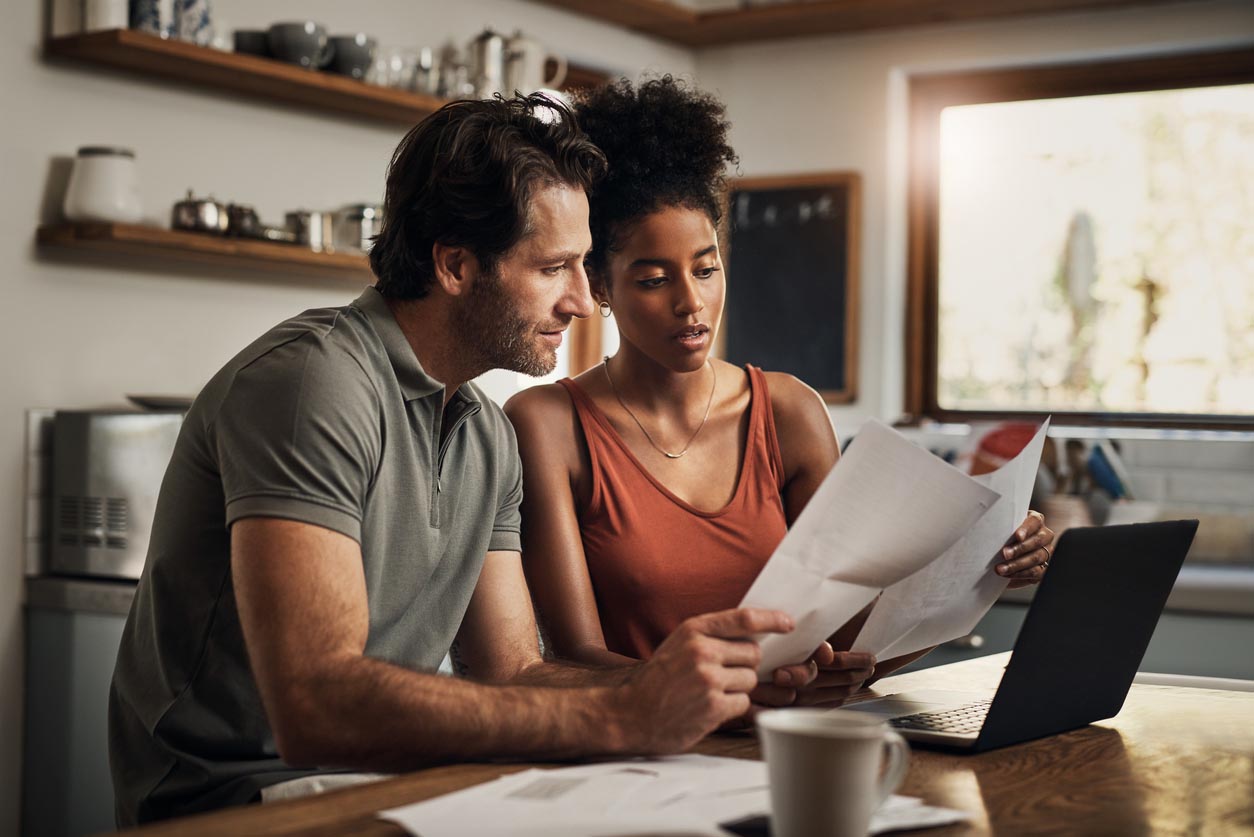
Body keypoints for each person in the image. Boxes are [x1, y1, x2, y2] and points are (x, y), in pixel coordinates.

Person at [108, 94, 814, 826]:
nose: (581, 300)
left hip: (384, 785)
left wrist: (691, 689)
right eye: (554, 268)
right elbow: (315, 704)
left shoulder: (483, 431)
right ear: (454, 263)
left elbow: (515, 671)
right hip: (233, 801)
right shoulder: (313, 384)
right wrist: (619, 716)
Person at [504, 77, 1054, 712]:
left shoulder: (788, 412)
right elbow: (574, 659)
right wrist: (738, 693)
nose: (692, 303)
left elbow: (852, 641)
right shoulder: (548, 425)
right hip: (642, 757)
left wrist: (983, 571)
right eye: (654, 279)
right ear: (598, 283)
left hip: (791, 747)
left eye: (707, 269)